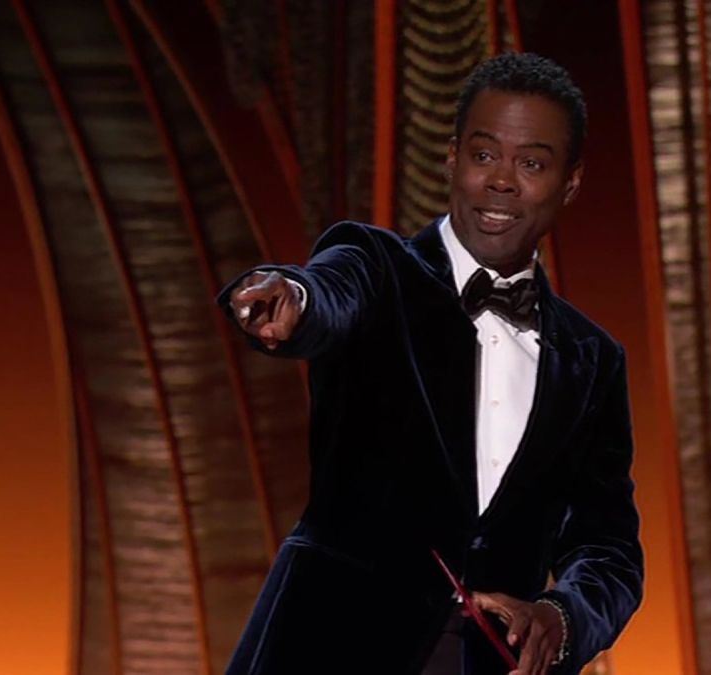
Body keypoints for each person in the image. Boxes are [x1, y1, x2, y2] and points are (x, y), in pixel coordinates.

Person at [219, 53, 643, 675]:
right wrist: (296, 300)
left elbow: (608, 547)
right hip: (325, 646)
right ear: (452, 158)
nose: (501, 181)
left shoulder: (593, 360)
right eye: (483, 154)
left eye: (531, 163)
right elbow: (331, 292)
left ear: (571, 182)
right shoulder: (379, 268)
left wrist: (563, 617)